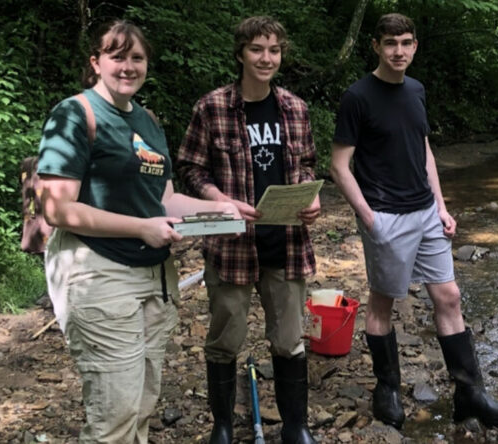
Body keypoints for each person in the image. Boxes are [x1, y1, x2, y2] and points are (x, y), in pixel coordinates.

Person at [37, 20, 241, 443]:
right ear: (96, 62)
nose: (127, 66)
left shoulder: (147, 121)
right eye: (117, 56)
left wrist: (220, 206)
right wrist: (141, 229)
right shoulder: (76, 114)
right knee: (115, 413)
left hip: (154, 278)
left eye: (137, 58)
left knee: (142, 404)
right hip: (98, 274)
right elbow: (56, 209)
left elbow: (163, 201)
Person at [329, 13, 498, 431]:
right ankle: (387, 388)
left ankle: (470, 395)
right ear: (376, 45)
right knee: (383, 302)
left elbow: (424, 149)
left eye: (407, 43)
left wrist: (442, 206)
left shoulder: (416, 89)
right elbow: (340, 166)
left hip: (426, 212)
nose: (399, 51)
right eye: (391, 43)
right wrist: (369, 218)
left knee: (448, 297)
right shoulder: (357, 97)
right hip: (385, 216)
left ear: (415, 46)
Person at [176, 16, 320, 444]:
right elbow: (189, 166)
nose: (266, 58)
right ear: (240, 53)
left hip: (287, 244)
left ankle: (296, 426)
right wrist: (218, 198)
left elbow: (309, 162)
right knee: (224, 341)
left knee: (291, 342)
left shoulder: (295, 108)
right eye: (257, 49)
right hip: (231, 245)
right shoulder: (213, 106)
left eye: (274, 50)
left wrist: (311, 197)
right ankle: (222, 426)